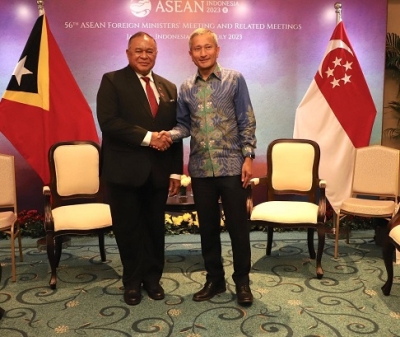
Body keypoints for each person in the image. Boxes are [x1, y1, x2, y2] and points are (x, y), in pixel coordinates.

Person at [162, 28, 257, 306]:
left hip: (232, 167)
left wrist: (249, 156)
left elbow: (246, 119)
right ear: (190, 53)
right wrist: (166, 135)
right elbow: (183, 126)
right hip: (201, 170)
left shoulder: (234, 80)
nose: (202, 53)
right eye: (197, 48)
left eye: (207, 47)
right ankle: (215, 280)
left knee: (239, 228)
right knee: (208, 229)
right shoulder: (186, 88)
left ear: (217, 50)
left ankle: (242, 282)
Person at [96, 32, 183, 306]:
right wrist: (149, 137)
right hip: (124, 172)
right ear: (128, 53)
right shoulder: (112, 81)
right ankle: (132, 282)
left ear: (156, 54)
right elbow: (109, 122)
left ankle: (153, 279)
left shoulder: (169, 88)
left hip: (158, 173)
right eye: (139, 51)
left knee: (155, 228)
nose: (144, 56)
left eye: (150, 51)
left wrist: (175, 171)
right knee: (128, 229)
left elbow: (174, 132)